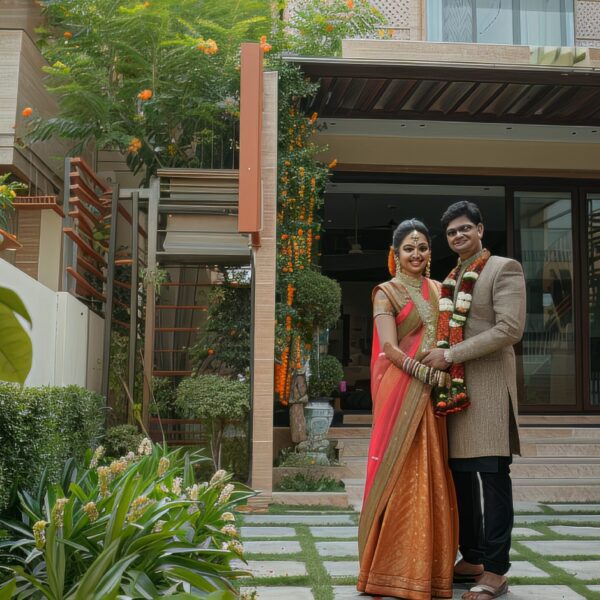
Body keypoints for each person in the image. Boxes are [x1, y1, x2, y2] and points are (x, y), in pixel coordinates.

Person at [423, 201, 526, 600]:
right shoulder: (451, 277)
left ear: (480, 229)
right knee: (463, 481)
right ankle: (474, 557)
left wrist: (449, 356)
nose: (458, 236)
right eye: (451, 232)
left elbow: (509, 329)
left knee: (493, 480)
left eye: (465, 228)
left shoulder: (503, 268)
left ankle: (497, 571)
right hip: (456, 394)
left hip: (488, 393)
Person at [357, 219, 458, 600]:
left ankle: (427, 569)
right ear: (394, 254)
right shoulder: (386, 292)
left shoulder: (438, 289)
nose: (416, 254)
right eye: (408, 248)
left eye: (422, 248)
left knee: (433, 471)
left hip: (433, 396)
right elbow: (389, 349)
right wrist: (425, 373)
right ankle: (387, 570)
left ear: (430, 253)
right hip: (402, 391)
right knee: (402, 471)